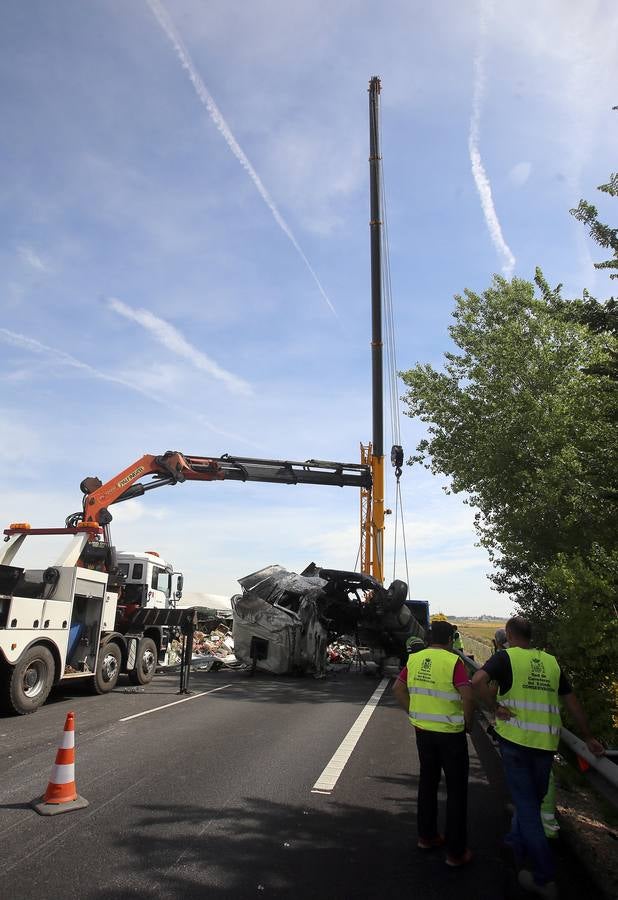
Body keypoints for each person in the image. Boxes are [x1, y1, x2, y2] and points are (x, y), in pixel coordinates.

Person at [471, 616, 604, 899]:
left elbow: (477, 680)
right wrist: (588, 736)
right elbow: (572, 701)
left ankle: (544, 877)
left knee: (528, 810)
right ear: (531, 636)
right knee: (529, 802)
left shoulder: (506, 658)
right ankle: (515, 843)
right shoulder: (551, 662)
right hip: (545, 747)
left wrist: (494, 707)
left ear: (508, 634)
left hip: (517, 744)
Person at [392, 620, 475, 867]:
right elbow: (468, 695)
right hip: (451, 734)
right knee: (456, 791)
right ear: (450, 641)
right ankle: (456, 852)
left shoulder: (415, 659)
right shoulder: (453, 661)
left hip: (423, 732)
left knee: (427, 784)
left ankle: (426, 837)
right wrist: (468, 723)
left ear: (428, 639)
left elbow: (398, 688)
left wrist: (414, 713)